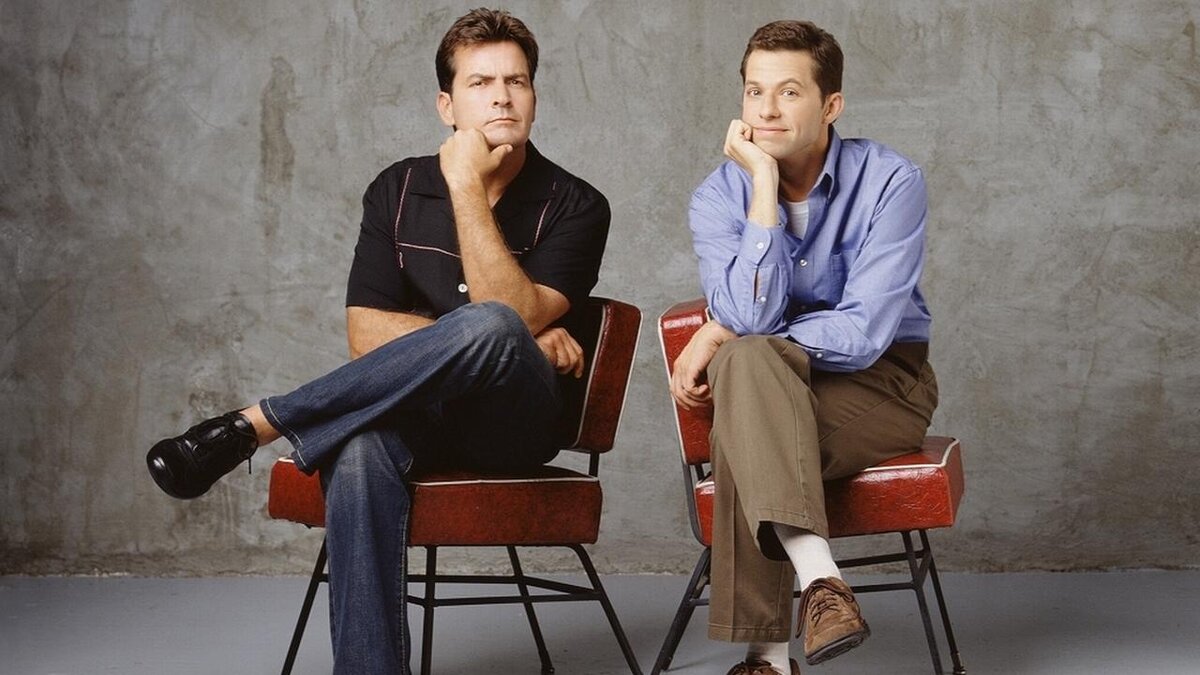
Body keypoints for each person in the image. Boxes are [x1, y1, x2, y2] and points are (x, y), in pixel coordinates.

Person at [145, 9, 609, 673]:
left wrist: (464, 185)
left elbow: (504, 310)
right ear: (447, 105)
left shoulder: (578, 204)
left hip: (513, 424)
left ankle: (259, 423)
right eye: (480, 83)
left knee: (497, 323)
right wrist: (518, 334)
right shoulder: (396, 189)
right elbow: (365, 336)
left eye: (517, 81)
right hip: (411, 414)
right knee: (359, 448)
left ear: (534, 95)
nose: (502, 97)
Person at [669, 19, 938, 675]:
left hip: (882, 383)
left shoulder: (891, 181)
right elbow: (749, 316)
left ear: (831, 104)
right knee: (749, 371)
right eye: (754, 91)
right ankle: (824, 585)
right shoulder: (718, 197)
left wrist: (731, 329)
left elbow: (864, 333)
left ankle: (766, 656)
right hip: (769, 387)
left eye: (788, 92)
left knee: (745, 386)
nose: (765, 109)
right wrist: (762, 185)